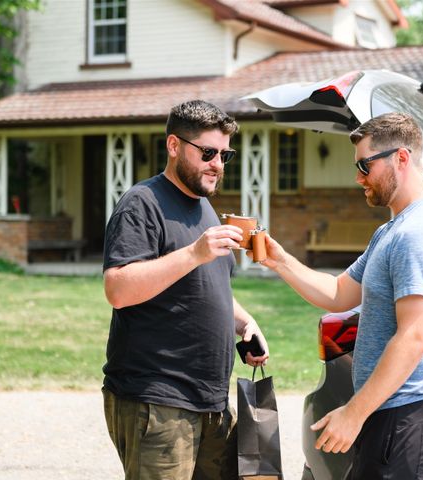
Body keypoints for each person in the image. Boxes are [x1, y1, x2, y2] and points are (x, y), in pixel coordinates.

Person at [256, 112, 423, 479]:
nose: (358, 178)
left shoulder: (418, 235)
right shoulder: (390, 232)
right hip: (392, 415)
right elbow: (338, 293)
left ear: (401, 158)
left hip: (411, 420)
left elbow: (414, 337)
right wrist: (280, 261)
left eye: (365, 166)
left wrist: (354, 413)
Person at [101, 99, 269, 480]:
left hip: (211, 402)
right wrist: (194, 252)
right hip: (158, 401)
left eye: (225, 155)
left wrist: (245, 324)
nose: (218, 165)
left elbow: (208, 288)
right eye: (208, 152)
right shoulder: (142, 204)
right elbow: (118, 289)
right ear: (174, 146)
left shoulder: (203, 208)